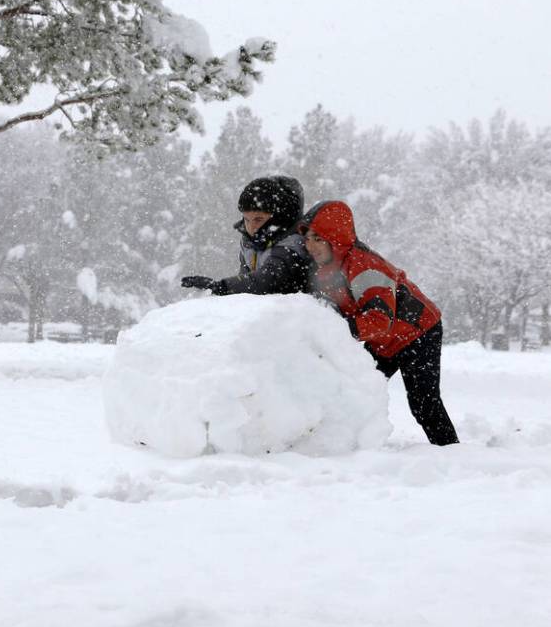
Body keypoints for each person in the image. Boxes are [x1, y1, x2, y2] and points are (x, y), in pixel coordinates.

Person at [297, 200, 459, 446]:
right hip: (382, 340)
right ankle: (347, 445)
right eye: (307, 238)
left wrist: (335, 332)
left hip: (418, 333)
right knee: (356, 390)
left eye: (318, 239)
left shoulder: (363, 266)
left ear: (336, 239)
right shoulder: (324, 268)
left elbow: (378, 320)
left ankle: (450, 451)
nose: (311, 246)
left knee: (423, 403)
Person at [180, 175, 313, 296]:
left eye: (258, 219)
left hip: (291, 317)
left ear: (278, 218)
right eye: (247, 219)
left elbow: (266, 280)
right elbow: (247, 282)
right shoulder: (252, 242)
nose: (251, 227)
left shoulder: (291, 245)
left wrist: (221, 286)